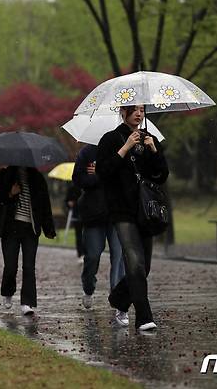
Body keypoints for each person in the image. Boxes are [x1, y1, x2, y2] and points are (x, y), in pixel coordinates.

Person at [96, 105, 168, 331]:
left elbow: (162, 175)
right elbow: (103, 172)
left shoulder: (150, 139)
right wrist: (125, 148)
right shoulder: (109, 139)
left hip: (145, 210)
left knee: (143, 267)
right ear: (123, 112)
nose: (139, 114)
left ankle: (119, 299)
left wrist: (154, 151)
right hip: (121, 210)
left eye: (141, 110)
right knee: (134, 263)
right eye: (134, 110)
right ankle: (144, 318)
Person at [0, 166, 56, 316]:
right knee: (11, 266)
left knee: (29, 266)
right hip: (10, 228)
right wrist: (9, 193)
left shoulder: (37, 177)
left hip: (30, 229)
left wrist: (49, 228)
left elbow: (45, 204)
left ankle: (27, 302)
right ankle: (8, 293)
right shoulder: (3, 174)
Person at [73, 144, 125, 310]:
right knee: (93, 256)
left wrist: (100, 172)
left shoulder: (121, 149)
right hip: (93, 215)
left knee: (118, 257)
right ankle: (88, 289)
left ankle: (117, 299)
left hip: (117, 213)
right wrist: (99, 176)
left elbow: (125, 178)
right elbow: (78, 179)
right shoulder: (87, 153)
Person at [64, 183, 84, 263]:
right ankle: (80, 254)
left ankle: (86, 253)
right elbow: (67, 201)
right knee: (79, 236)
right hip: (77, 216)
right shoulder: (72, 189)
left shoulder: (88, 186)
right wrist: (69, 203)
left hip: (88, 216)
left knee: (87, 235)